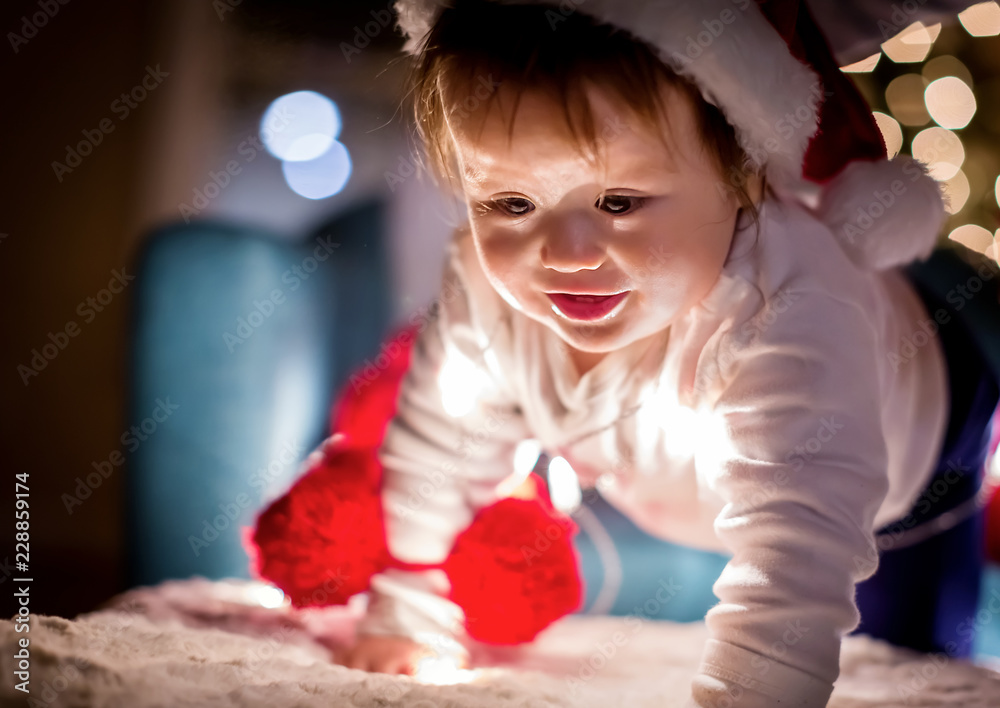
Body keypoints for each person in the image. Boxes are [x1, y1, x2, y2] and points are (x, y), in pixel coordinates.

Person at [317, 1, 998, 706]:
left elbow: (799, 548)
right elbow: (441, 442)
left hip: (920, 433)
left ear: (744, 180)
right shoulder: (483, 292)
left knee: (907, 673)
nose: (566, 255)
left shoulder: (786, 312)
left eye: (619, 201)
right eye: (511, 204)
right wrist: (410, 602)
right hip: (686, 484)